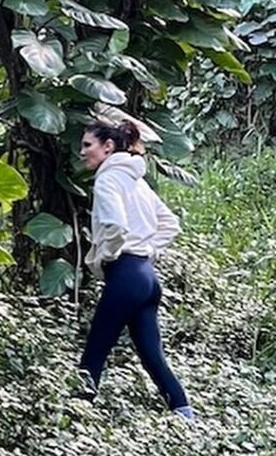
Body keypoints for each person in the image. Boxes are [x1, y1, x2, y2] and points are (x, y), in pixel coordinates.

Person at [76, 118, 195, 421]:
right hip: (146, 276)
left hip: (126, 274)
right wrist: (148, 250)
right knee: (152, 355)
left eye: (87, 145)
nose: (82, 152)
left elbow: (115, 224)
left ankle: (74, 417)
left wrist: (109, 255)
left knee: (95, 350)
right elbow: (170, 223)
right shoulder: (136, 180)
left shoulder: (107, 179)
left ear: (108, 146)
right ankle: (186, 416)